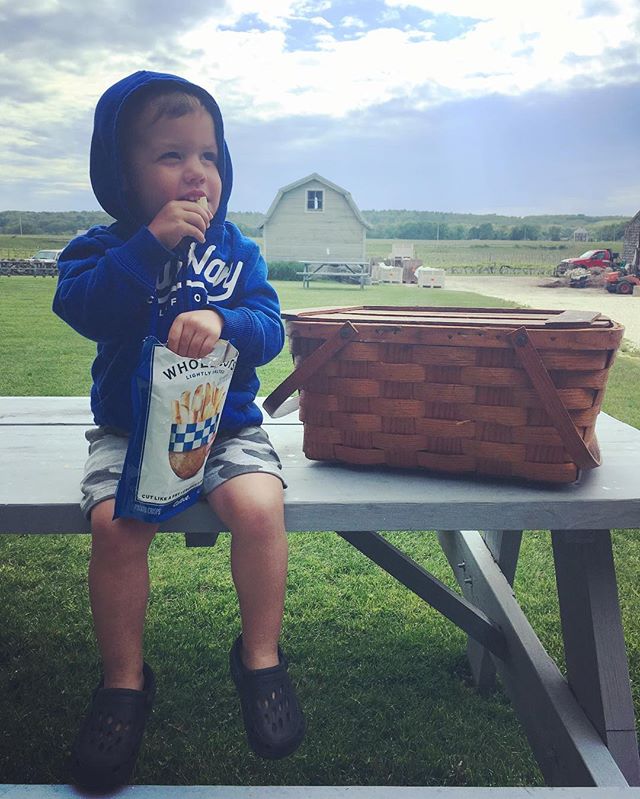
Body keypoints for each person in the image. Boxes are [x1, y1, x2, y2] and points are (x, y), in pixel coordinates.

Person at [53, 70, 305, 790]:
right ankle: (124, 683)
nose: (197, 172)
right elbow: (85, 309)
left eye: (210, 156)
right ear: (120, 175)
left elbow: (269, 328)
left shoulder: (239, 253)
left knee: (260, 509)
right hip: (132, 433)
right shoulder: (102, 250)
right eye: (171, 155)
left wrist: (226, 321)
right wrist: (148, 248)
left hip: (222, 429)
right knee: (114, 527)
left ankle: (260, 657)